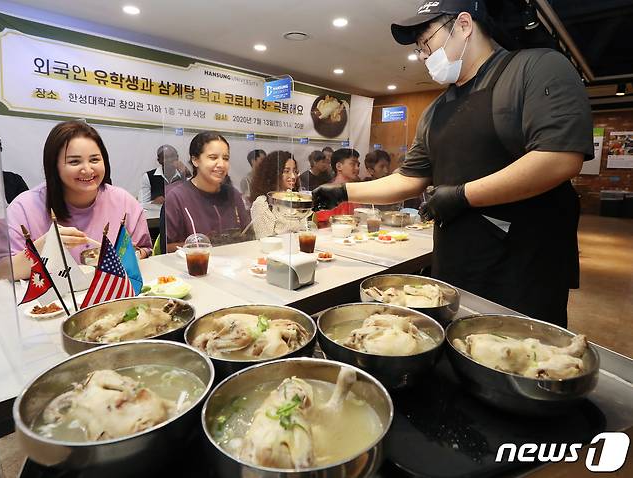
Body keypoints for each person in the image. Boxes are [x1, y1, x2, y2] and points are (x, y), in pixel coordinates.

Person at [312, 0, 593, 327]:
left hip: (522, 270)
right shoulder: (435, 110)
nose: (424, 55)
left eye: (426, 42)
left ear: (463, 25)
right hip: (455, 265)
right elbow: (409, 178)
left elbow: (558, 158)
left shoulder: (535, 68)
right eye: (419, 49)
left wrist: (462, 195)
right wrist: (344, 191)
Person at [0, 121, 152, 280]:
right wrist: (42, 248)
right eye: (74, 161)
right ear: (53, 166)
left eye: (94, 159)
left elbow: (145, 251)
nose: (87, 170)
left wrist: (133, 255)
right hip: (52, 305)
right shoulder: (24, 208)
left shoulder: (124, 202)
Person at [164, 132, 249, 250]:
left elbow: (247, 237)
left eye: (225, 158)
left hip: (234, 264)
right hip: (194, 265)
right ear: (195, 160)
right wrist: (202, 246)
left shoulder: (233, 194)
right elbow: (166, 248)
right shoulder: (177, 197)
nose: (221, 164)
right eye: (213, 157)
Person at [250, 150, 306, 238]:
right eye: (286, 171)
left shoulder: (295, 198)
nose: (293, 176)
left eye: (295, 171)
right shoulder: (262, 203)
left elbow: (303, 231)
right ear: (273, 173)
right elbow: (264, 240)